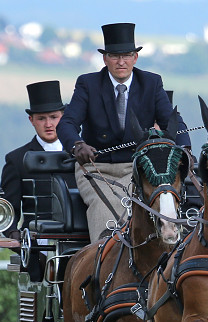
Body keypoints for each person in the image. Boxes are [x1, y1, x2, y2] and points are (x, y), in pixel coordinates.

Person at [57, 22, 190, 241]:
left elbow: (172, 121)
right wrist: (77, 145)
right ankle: (103, 264)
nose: (121, 62)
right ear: (105, 58)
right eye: (114, 56)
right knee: (104, 211)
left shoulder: (151, 82)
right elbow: (67, 123)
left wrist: (185, 148)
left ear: (135, 58)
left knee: (154, 206)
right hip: (96, 168)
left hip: (136, 167)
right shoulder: (88, 84)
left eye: (127, 55)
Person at [0, 80, 67, 279]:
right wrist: (14, 235)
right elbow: (10, 210)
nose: (49, 124)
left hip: (80, 239)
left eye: (54, 117)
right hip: (38, 244)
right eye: (41, 118)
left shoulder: (80, 153)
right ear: (31, 120)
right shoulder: (17, 160)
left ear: (63, 117)